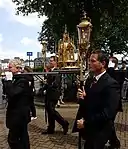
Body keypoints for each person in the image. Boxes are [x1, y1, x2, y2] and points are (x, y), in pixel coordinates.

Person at [73, 50, 120, 149]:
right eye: (89, 61)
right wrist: (82, 98)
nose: (89, 63)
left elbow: (108, 113)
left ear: (103, 63)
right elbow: (88, 103)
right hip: (89, 129)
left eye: (93, 61)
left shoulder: (111, 84)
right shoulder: (90, 80)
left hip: (99, 130)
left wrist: (86, 123)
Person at [4, 59, 31, 149]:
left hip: (19, 115)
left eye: (10, 67)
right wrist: (6, 81)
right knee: (23, 138)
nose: (8, 69)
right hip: (17, 114)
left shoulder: (22, 80)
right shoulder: (15, 78)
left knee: (13, 140)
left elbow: (13, 93)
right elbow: (7, 92)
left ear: (18, 68)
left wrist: (8, 81)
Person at [42, 56, 69, 135]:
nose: (50, 62)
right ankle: (51, 129)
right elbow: (48, 82)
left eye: (51, 61)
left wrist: (47, 85)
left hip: (53, 94)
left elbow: (55, 84)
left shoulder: (57, 71)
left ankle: (64, 123)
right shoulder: (50, 71)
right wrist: (43, 89)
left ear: (55, 62)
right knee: (49, 111)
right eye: (49, 61)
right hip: (49, 94)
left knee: (52, 111)